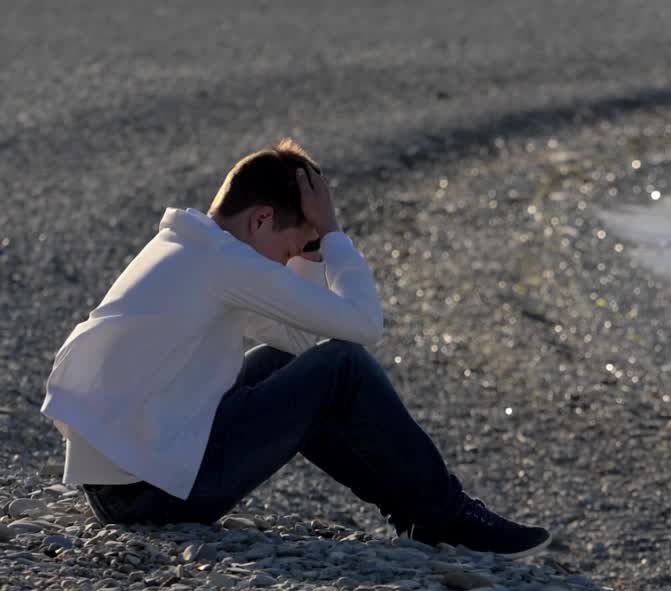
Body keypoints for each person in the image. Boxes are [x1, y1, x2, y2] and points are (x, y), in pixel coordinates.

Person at [40, 139, 551, 558]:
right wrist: (331, 235)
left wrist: (305, 253)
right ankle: (447, 515)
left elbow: (297, 341)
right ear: (261, 220)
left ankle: (415, 513)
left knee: (283, 364)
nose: (286, 264)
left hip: (123, 484)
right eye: (289, 248)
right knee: (343, 367)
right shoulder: (225, 264)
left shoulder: (188, 247)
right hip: (150, 496)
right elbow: (362, 328)